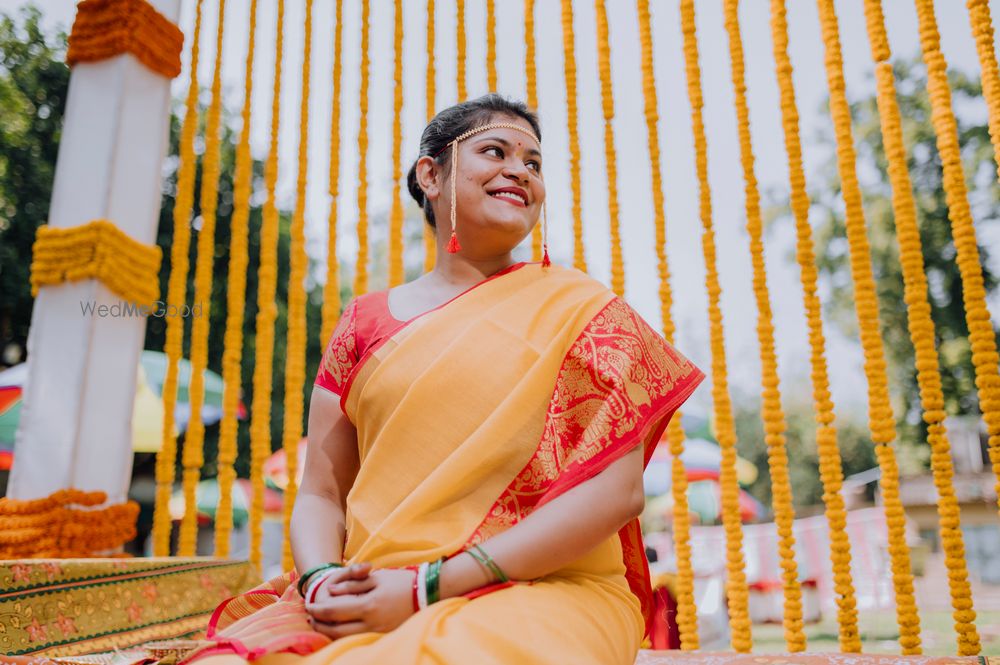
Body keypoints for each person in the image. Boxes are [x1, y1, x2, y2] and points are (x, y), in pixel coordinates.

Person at [185, 93, 704, 665]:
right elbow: (321, 493)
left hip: (542, 591)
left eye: (533, 163)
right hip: (371, 588)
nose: (519, 171)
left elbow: (617, 492)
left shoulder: (584, 313)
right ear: (431, 174)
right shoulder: (364, 323)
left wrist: (425, 588)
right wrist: (320, 581)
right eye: (495, 151)